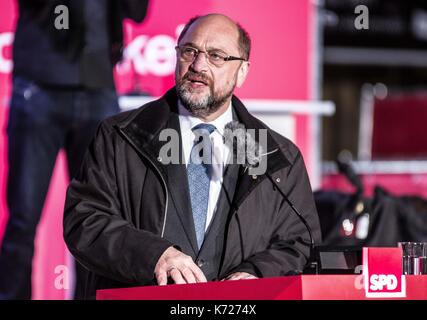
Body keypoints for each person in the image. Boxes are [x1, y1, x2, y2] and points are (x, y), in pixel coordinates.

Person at [63, 13, 321, 299]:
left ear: (242, 71)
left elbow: (300, 244)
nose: (198, 65)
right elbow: (85, 221)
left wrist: (257, 274)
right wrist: (154, 256)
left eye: (216, 56)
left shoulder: (278, 157)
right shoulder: (119, 136)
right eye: (190, 51)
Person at [0, 0, 149, 299]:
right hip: (39, 85)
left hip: (97, 85)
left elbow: (137, 11)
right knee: (23, 218)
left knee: (97, 218)